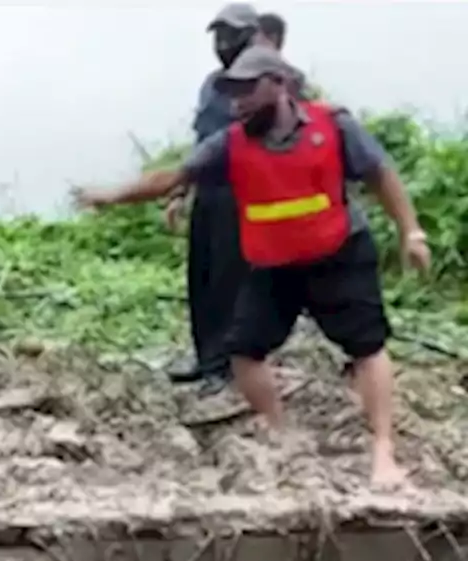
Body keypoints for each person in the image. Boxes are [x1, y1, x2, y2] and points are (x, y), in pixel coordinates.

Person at [74, 46, 431, 489]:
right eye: (232, 92)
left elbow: (381, 174)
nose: (238, 101)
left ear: (279, 85)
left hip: (337, 253)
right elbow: (173, 177)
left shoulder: (332, 126)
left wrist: (411, 232)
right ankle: (282, 437)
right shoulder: (230, 143)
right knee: (244, 351)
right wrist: (111, 196)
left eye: (248, 89)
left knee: (367, 347)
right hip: (273, 262)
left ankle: (383, 452)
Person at [164, 3, 262, 399]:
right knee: (201, 278)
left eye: (231, 36)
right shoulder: (211, 85)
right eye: (218, 36)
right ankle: (205, 359)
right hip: (209, 192)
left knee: (229, 281)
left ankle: (225, 366)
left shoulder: (267, 85)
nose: (223, 44)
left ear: (251, 37)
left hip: (244, 196)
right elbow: (200, 144)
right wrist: (178, 192)